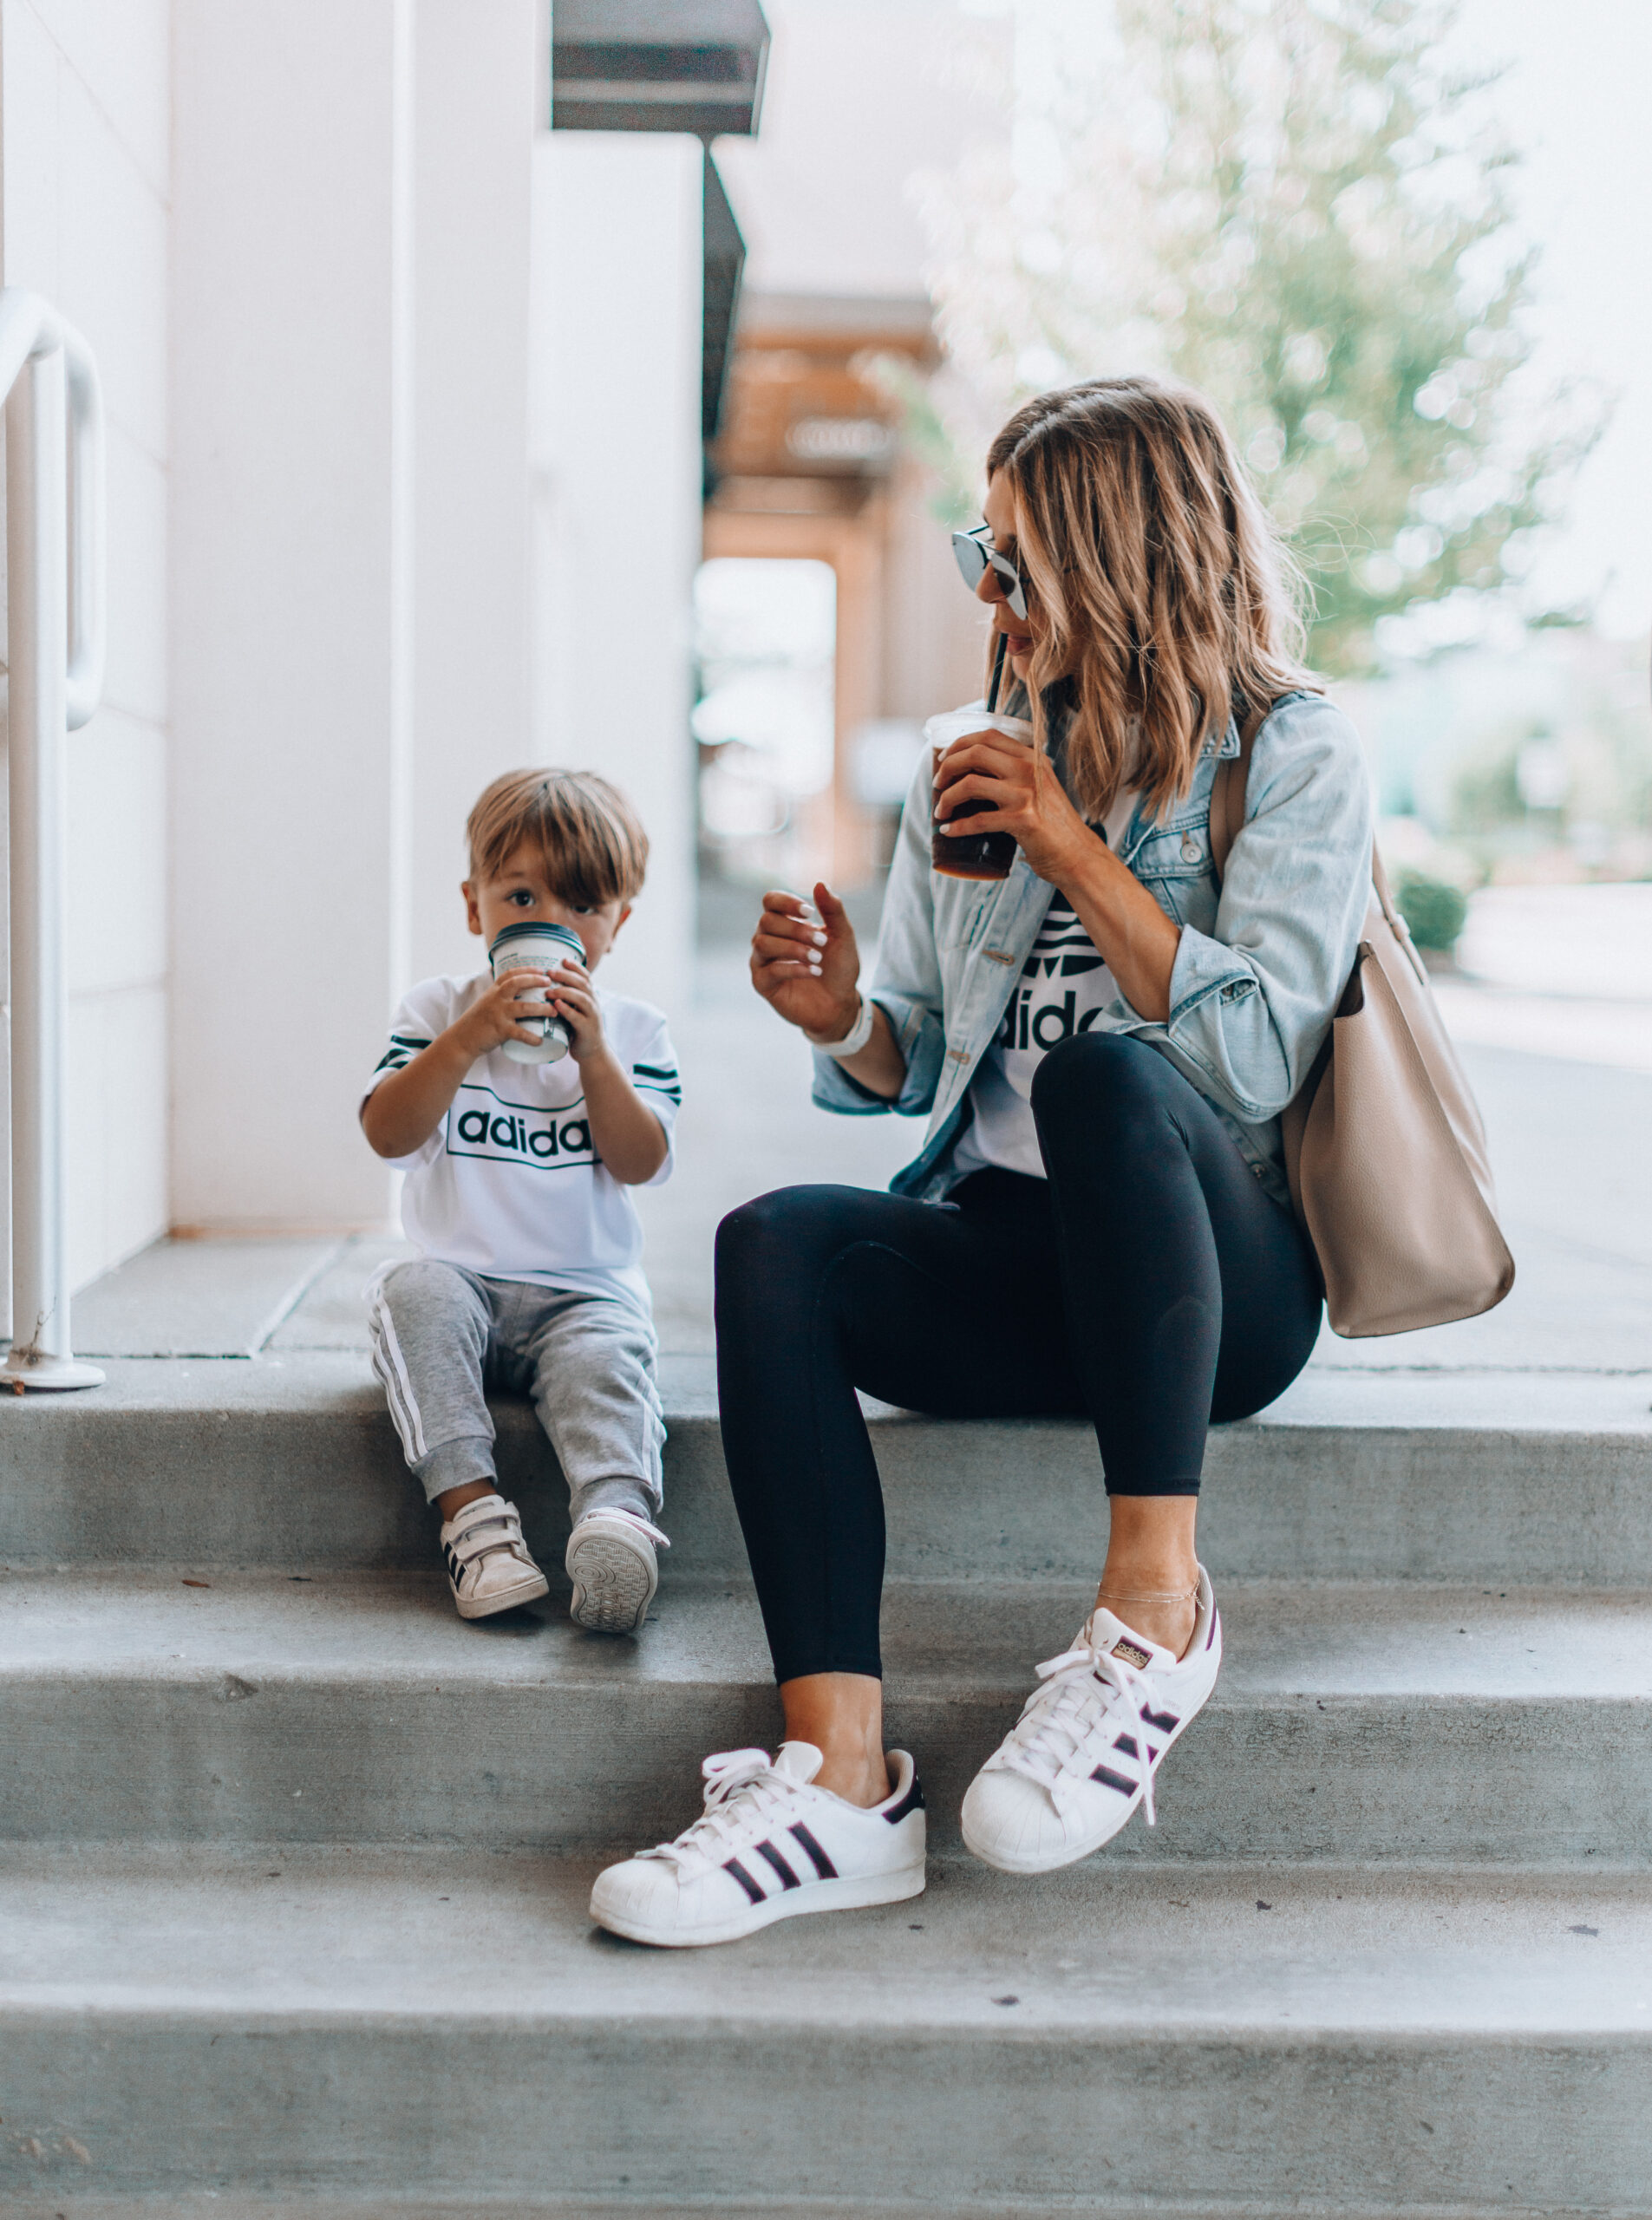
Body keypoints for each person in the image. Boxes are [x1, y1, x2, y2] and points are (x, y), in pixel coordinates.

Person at [589, 375, 1374, 1949]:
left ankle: (1155, 1617)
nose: (991, 597)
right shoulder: (978, 752)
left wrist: (1077, 844)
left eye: (1016, 559)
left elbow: (1251, 1057)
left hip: (1218, 1287)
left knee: (1105, 1079)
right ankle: (838, 1781)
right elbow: (920, 1053)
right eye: (981, 554)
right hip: (1022, 1266)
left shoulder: (1290, 753)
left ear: (1123, 552)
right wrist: (839, 1020)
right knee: (778, 1242)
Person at [361, 768, 679, 1636]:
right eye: (522, 896)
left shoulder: (637, 1031)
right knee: (408, 1290)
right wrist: (465, 1039)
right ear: (476, 909)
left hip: (584, 1290)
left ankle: (615, 1524)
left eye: (581, 905)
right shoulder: (435, 1011)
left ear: (618, 924)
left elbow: (643, 1161)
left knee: (610, 1359)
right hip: (464, 1281)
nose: (551, 924)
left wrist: (596, 1060)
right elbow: (388, 1135)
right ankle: (474, 1520)